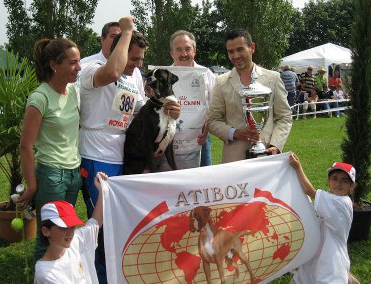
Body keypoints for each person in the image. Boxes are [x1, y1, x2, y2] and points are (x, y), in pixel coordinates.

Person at [78, 17, 180, 283]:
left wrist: (170, 108)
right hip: (96, 156)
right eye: (133, 59)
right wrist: (127, 31)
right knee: (99, 227)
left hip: (123, 155)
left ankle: (119, 273)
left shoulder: (133, 75)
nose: (137, 66)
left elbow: (137, 109)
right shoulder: (91, 68)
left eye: (140, 60)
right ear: (118, 49)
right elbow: (111, 73)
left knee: (120, 222)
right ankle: (99, 277)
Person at [18, 37, 82, 262]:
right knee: (47, 237)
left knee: (64, 232)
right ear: (54, 65)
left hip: (74, 175)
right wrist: (32, 185)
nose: (79, 67)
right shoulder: (40, 97)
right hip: (52, 177)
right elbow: (26, 146)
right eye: (73, 63)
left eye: (79, 61)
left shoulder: (73, 91)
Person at [207, 28, 292, 163]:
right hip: (233, 159)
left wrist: (275, 145)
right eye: (231, 52)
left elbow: (284, 117)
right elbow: (212, 121)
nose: (235, 56)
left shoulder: (273, 78)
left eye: (240, 49)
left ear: (252, 47)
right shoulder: (221, 82)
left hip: (266, 155)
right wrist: (235, 133)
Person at [289, 153, 360, 284]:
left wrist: (297, 167)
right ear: (328, 181)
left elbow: (309, 191)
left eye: (345, 180)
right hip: (317, 251)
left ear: (351, 187)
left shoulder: (343, 203)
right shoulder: (330, 198)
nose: (338, 183)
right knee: (304, 277)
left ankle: (346, 277)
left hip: (331, 258)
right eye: (334, 178)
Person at [34, 172, 107, 284]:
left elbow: (95, 222)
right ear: (46, 231)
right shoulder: (45, 274)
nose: (70, 232)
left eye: (72, 226)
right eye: (63, 227)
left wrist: (102, 190)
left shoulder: (76, 239)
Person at [168, 30, 216, 168]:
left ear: (194, 50)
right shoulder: (163, 76)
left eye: (188, 49)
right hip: (170, 141)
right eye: (178, 50)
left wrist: (208, 127)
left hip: (200, 139)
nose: (183, 54)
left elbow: (215, 107)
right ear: (172, 53)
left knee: (204, 181)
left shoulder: (207, 75)